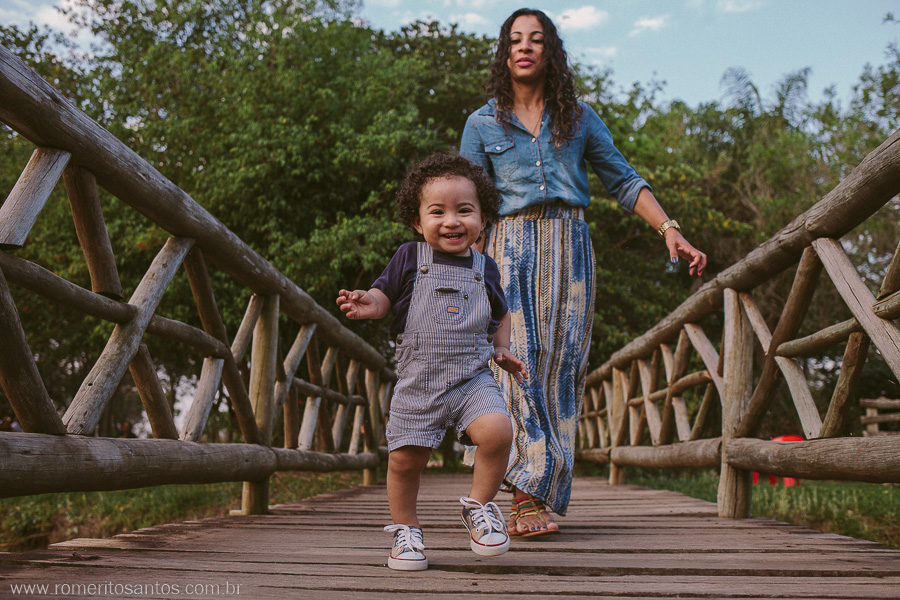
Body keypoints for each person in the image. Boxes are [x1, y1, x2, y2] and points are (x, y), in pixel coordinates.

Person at [460, 8, 707, 537]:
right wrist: (466, 272)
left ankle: (537, 486)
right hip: (508, 247)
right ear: (505, 52)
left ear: (552, 51)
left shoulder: (580, 118)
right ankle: (526, 496)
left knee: (563, 372)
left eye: (537, 39)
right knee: (517, 361)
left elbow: (623, 179)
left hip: (571, 247)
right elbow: (469, 204)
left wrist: (670, 229)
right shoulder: (481, 123)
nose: (525, 47)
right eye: (515, 39)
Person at [336, 154, 529, 571]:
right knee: (405, 461)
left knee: (498, 431)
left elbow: (502, 312)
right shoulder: (409, 257)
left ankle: (478, 507)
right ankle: (407, 531)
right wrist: (370, 304)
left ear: (482, 218)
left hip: (471, 379)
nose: (452, 221)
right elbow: (383, 295)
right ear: (417, 221)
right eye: (437, 211)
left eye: (465, 210)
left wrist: (501, 347)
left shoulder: (485, 268)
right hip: (419, 381)